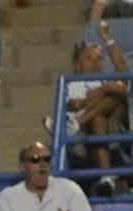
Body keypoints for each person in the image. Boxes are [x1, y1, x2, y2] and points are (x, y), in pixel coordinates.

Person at [56, 26, 129, 196]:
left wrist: (108, 39)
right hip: (83, 142)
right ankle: (105, 176)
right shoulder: (71, 83)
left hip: (110, 134)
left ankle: (106, 177)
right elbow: (73, 105)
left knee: (118, 94)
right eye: (89, 58)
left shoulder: (106, 80)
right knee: (98, 116)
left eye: (99, 58)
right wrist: (102, 91)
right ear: (77, 64)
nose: (95, 63)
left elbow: (123, 72)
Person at [0, 141, 99, 211]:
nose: (43, 165)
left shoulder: (69, 189)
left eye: (47, 159)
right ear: (23, 167)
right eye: (35, 160)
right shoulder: (6, 198)